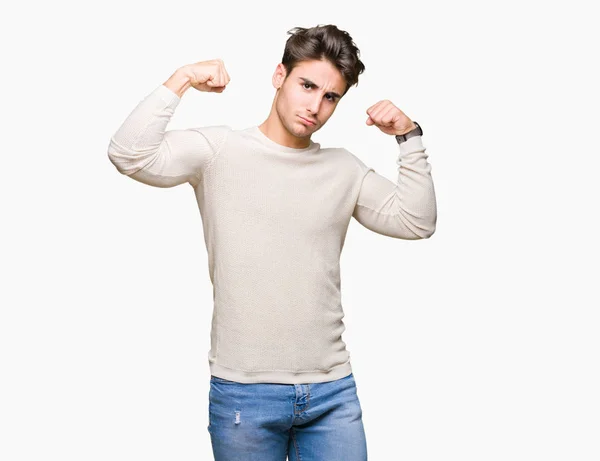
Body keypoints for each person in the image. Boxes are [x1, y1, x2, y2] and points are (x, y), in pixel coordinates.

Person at [107, 23, 436, 461]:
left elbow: (416, 221)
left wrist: (409, 136)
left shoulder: (343, 169)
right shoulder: (218, 150)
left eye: (330, 97)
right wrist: (182, 77)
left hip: (331, 393)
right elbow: (128, 154)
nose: (315, 107)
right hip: (245, 392)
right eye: (307, 85)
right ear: (279, 75)